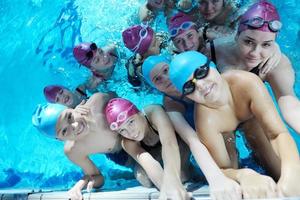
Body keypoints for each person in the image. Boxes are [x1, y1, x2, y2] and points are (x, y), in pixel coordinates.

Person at [169, 51, 300, 198]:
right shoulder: (206, 121)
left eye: (200, 73)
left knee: (280, 171)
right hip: (225, 132)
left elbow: (277, 134)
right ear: (187, 96)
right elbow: (222, 169)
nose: (200, 85)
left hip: (251, 118)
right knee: (234, 186)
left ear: (212, 65)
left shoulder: (247, 82)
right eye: (188, 87)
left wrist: (292, 170)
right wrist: (244, 175)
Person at [142, 54, 242, 200]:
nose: (166, 78)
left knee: (229, 142)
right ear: (154, 87)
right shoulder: (171, 104)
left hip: (221, 127)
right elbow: (192, 139)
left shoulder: (203, 82)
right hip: (194, 135)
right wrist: (215, 178)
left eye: (166, 70)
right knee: (183, 176)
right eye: (158, 79)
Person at [204, 1, 300, 134]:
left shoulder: (277, 64)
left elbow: (289, 101)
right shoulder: (215, 50)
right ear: (237, 36)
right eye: (248, 42)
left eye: (266, 45)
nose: (255, 53)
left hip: (250, 113)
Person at [32, 93, 151, 200]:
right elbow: (98, 178)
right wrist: (83, 182)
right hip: (122, 155)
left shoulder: (98, 102)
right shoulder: (73, 150)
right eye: (64, 131)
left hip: (136, 131)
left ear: (71, 108)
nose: (75, 125)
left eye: (69, 117)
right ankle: (124, 174)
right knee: (145, 178)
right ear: (60, 140)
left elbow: (121, 102)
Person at [105, 97, 192, 199]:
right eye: (122, 130)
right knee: (143, 178)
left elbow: (169, 144)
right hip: (152, 156)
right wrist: (167, 189)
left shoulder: (154, 112)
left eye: (131, 122)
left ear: (140, 113)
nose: (130, 132)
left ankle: (191, 170)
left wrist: (173, 182)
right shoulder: (126, 141)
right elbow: (148, 162)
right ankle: (123, 174)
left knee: (182, 175)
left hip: (175, 145)